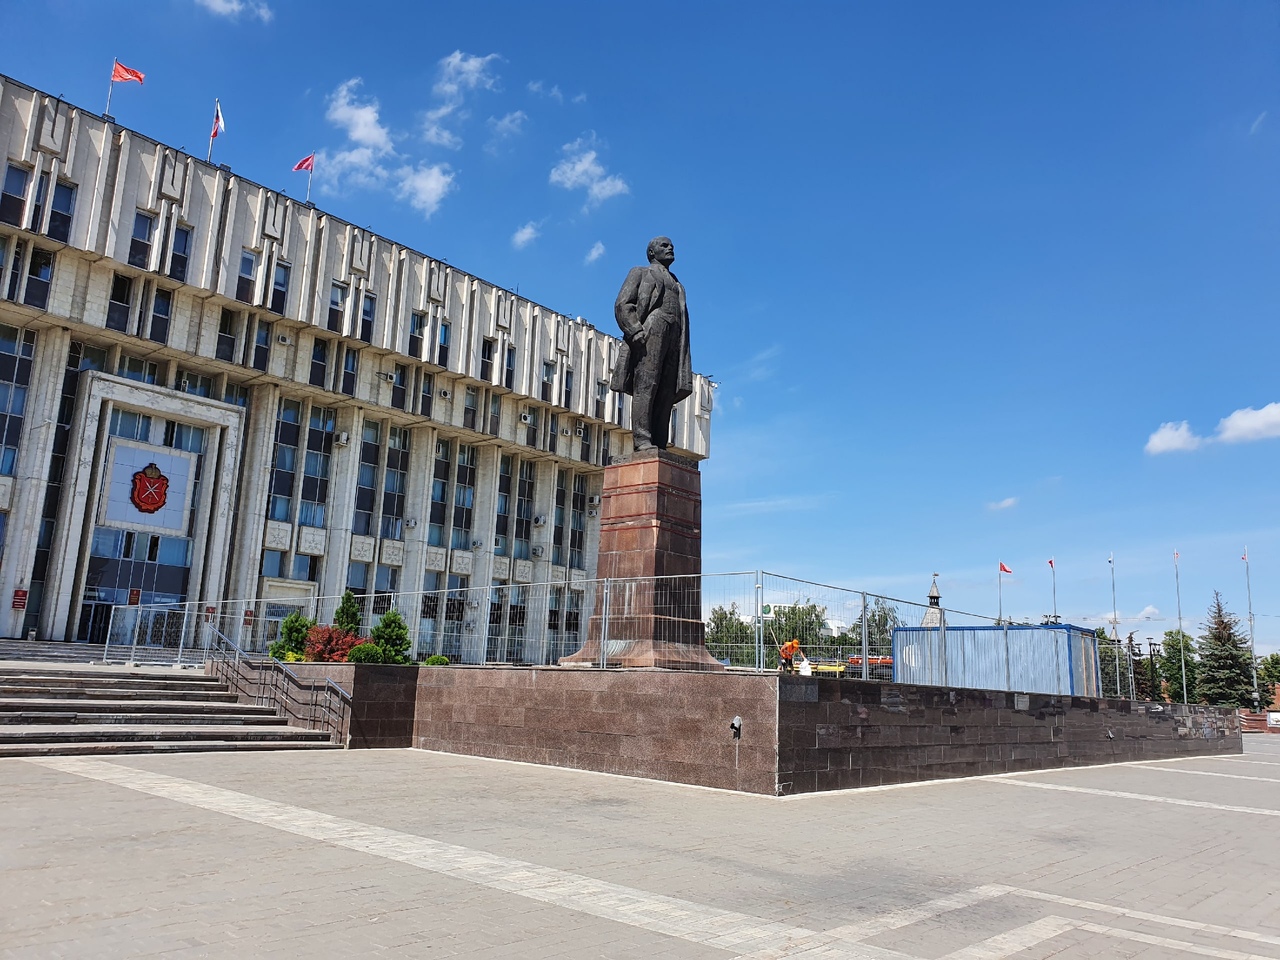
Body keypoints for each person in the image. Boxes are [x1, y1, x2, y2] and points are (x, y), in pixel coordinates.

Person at [609, 236, 694, 451]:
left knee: (667, 389)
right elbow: (622, 303)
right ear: (651, 253)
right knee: (647, 384)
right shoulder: (640, 272)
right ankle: (642, 439)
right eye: (664, 245)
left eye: (671, 245)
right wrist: (635, 330)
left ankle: (659, 441)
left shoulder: (678, 284)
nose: (670, 248)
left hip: (675, 335)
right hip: (652, 328)